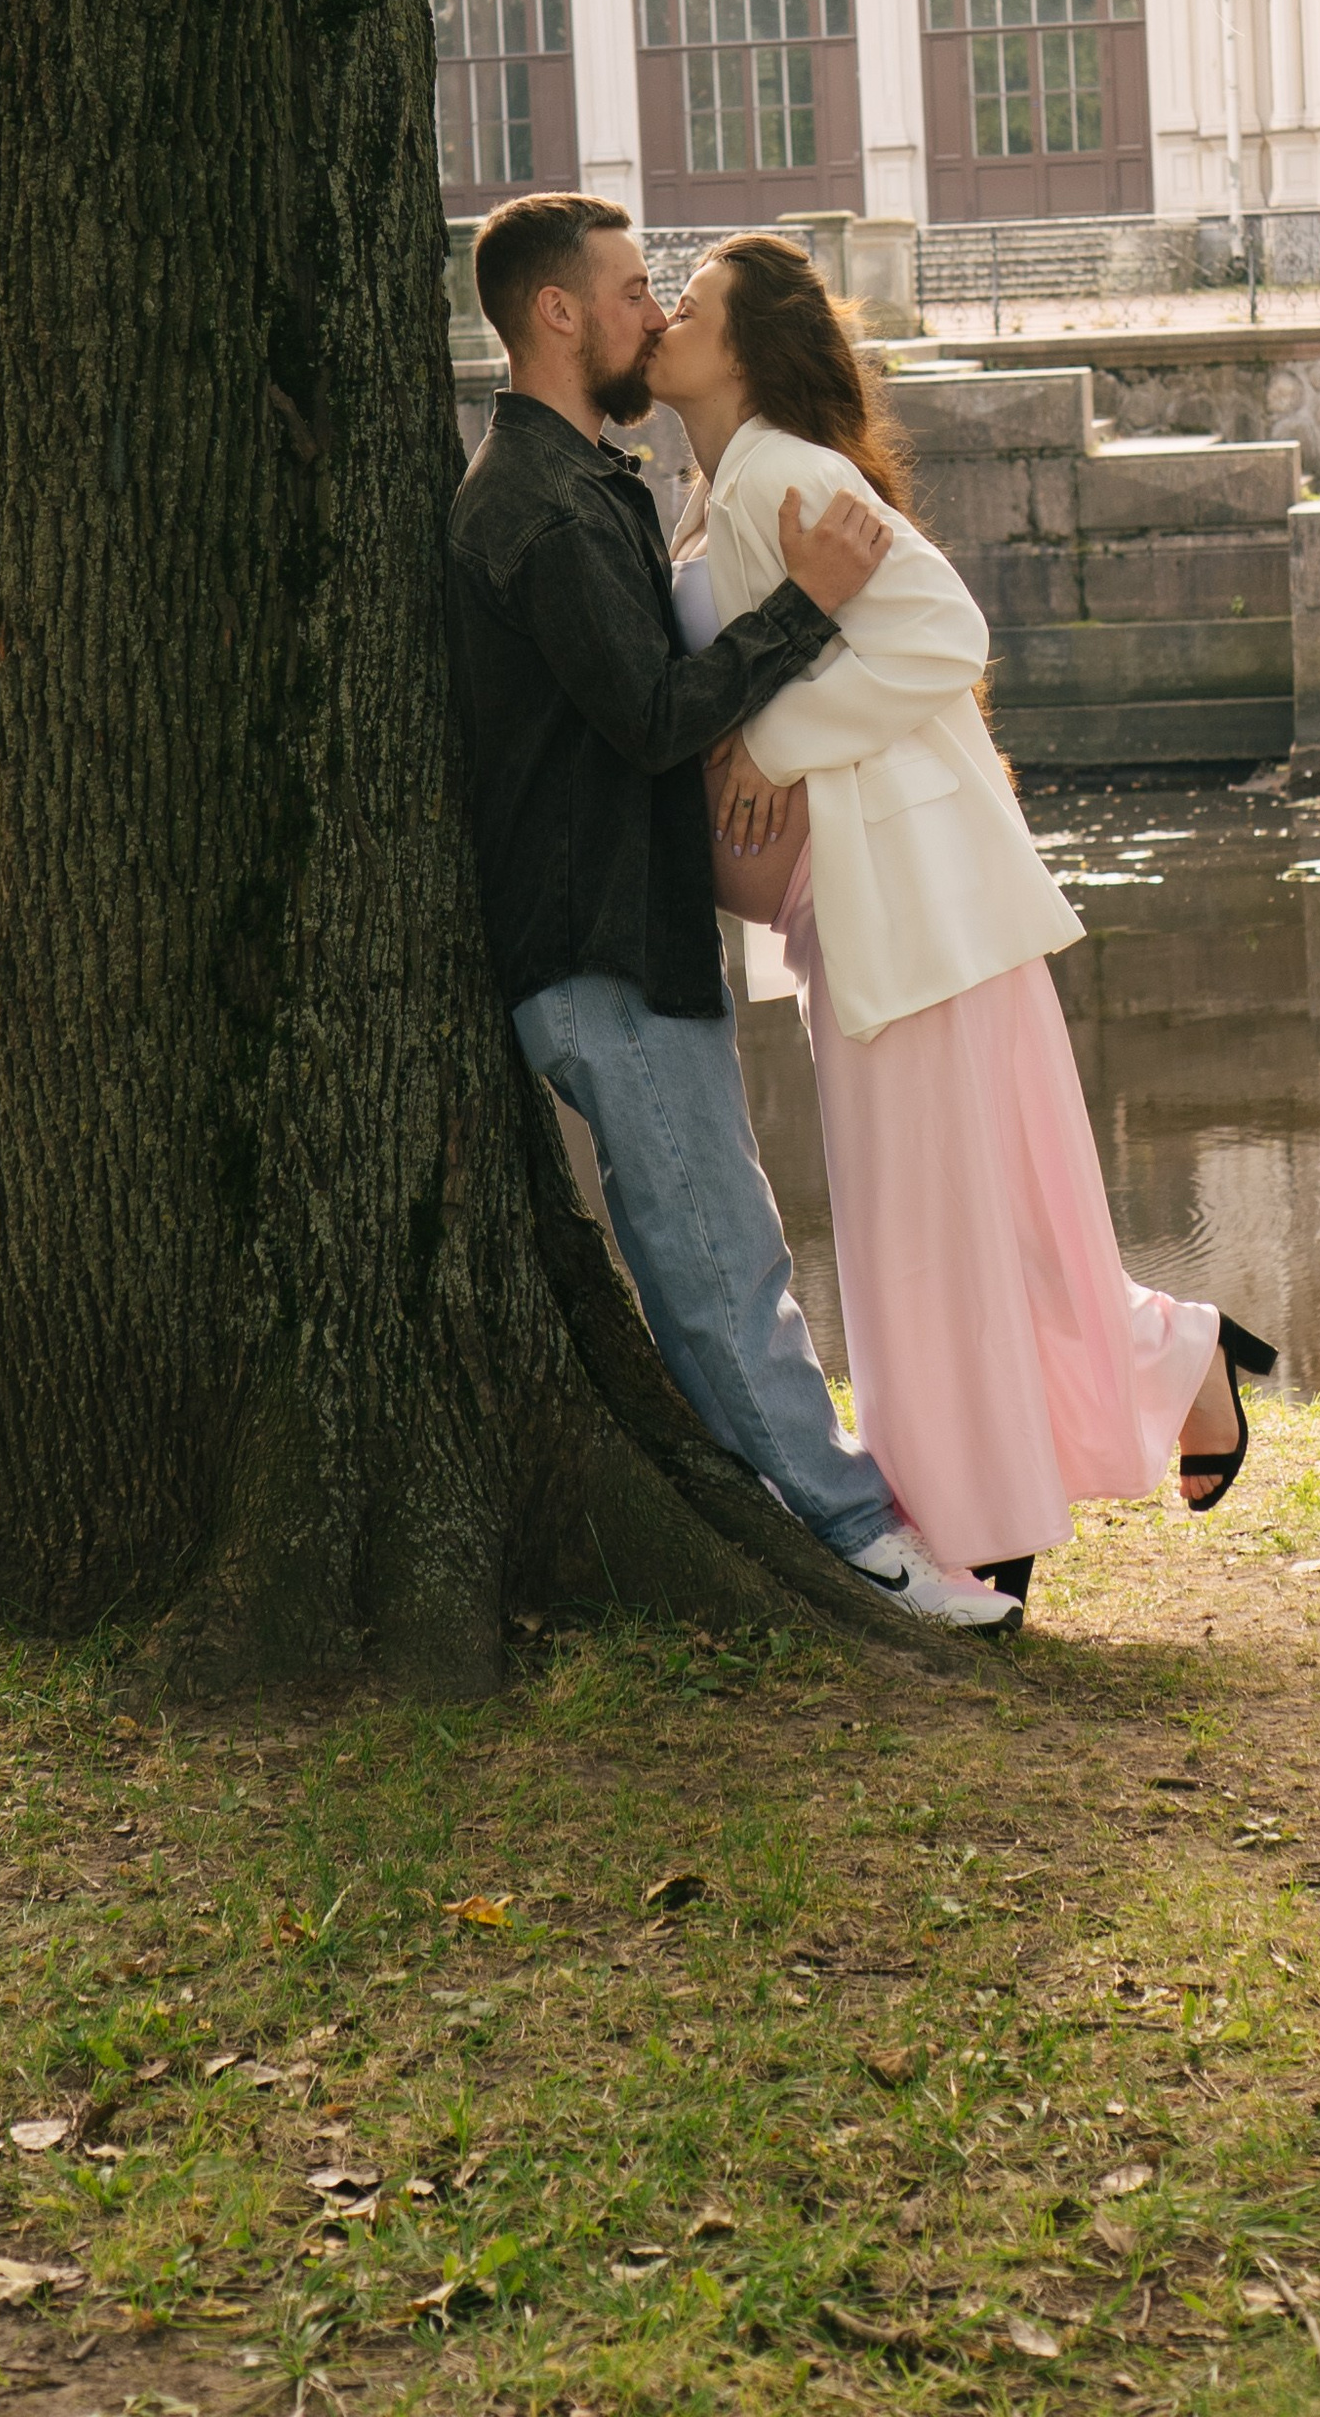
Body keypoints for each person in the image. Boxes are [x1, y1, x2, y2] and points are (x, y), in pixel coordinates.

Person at [646, 232, 1278, 1614]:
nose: (662, 317)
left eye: (684, 303)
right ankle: (1161, 1368)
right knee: (961, 1211)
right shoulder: (716, 491)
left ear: (746, 346)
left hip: (899, 896)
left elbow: (943, 633)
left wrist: (772, 748)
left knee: (923, 1226)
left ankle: (979, 1523)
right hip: (858, 906)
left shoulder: (787, 475)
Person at [445, 192, 1020, 1632]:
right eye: (636, 290)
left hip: (631, 936)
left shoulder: (592, 484)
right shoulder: (535, 502)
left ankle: (810, 1520)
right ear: (562, 313)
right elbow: (646, 714)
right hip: (595, 946)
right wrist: (803, 611)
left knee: (715, 1245)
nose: (655, 313)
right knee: (719, 1260)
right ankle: (860, 1545)